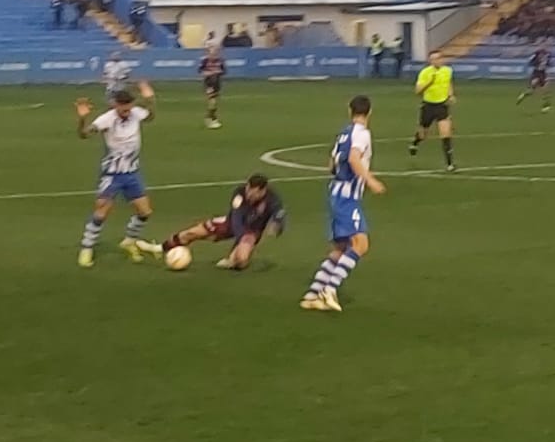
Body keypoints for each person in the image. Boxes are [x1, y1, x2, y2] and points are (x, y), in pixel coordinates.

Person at [301, 94, 386, 312]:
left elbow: (332, 163)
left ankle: (312, 295)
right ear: (370, 112)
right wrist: (371, 181)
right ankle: (330, 289)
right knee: (361, 244)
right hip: (347, 196)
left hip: (334, 192)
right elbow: (354, 158)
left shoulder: (344, 133)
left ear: (350, 111)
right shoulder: (362, 134)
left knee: (340, 248)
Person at [73, 81, 160, 268]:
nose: (127, 109)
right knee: (101, 212)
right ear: (115, 105)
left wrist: (151, 99)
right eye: (123, 106)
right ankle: (87, 247)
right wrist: (82, 119)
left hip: (132, 173)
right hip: (112, 174)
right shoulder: (107, 119)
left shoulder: (136, 113)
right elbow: (84, 134)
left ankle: (129, 240)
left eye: (129, 105)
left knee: (145, 212)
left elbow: (151, 117)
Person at [161, 174, 287, 270]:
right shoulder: (239, 193)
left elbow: (279, 215)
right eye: (248, 190)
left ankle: (234, 259)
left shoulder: (272, 199)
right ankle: (162, 247)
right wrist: (237, 243)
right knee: (191, 233)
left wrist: (277, 225)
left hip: (251, 232)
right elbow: (237, 218)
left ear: (262, 191)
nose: (248, 194)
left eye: (252, 193)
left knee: (241, 261)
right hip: (230, 222)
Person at [409, 49, 457, 172]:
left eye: (438, 58)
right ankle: (415, 142)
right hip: (428, 106)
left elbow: (449, 84)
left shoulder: (447, 71)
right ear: (430, 61)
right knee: (423, 134)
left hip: (442, 106)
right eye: (433, 59)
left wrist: (451, 95)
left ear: (442, 59)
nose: (436, 61)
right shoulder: (425, 73)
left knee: (446, 133)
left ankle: (449, 163)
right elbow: (417, 91)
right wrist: (429, 83)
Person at [516, 46, 553, 111]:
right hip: (536, 73)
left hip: (543, 73)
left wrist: (549, 65)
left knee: (545, 90)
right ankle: (523, 95)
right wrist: (535, 64)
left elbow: (548, 63)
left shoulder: (548, 54)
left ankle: (545, 106)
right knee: (532, 90)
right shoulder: (536, 53)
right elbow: (530, 61)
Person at [199, 44, 227, 129]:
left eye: (215, 53)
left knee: (214, 102)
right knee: (212, 101)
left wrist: (217, 72)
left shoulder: (220, 61)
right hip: (209, 83)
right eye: (212, 53)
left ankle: (212, 118)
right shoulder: (205, 61)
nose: (214, 54)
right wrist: (208, 73)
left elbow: (223, 71)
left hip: (217, 83)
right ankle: (211, 119)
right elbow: (201, 71)